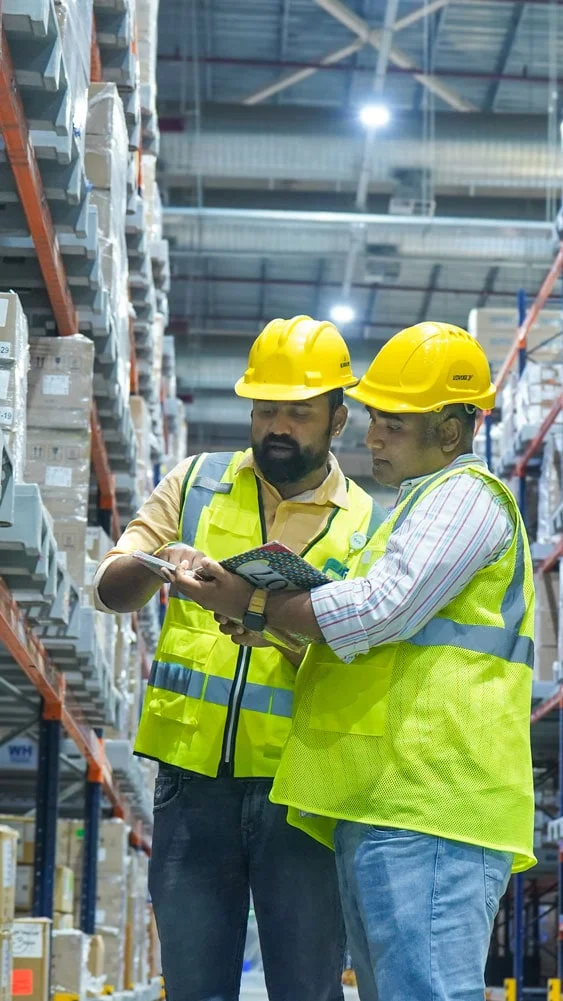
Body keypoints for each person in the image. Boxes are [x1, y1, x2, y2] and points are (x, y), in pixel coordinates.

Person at [172, 321, 536, 1001]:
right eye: (372, 418)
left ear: (449, 432)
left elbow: (382, 608)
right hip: (387, 803)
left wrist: (258, 604)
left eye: (392, 424)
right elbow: (372, 637)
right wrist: (279, 628)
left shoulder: (465, 498)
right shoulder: (412, 512)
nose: (370, 437)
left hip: (433, 808)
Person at [94, 314, 384, 1001]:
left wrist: (272, 624)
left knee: (306, 989)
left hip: (302, 792)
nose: (277, 425)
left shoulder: (367, 523)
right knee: (193, 989)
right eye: (265, 408)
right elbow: (110, 588)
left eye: (298, 412)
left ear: (336, 418)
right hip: (190, 786)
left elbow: (365, 656)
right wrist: (155, 560)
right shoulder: (195, 482)